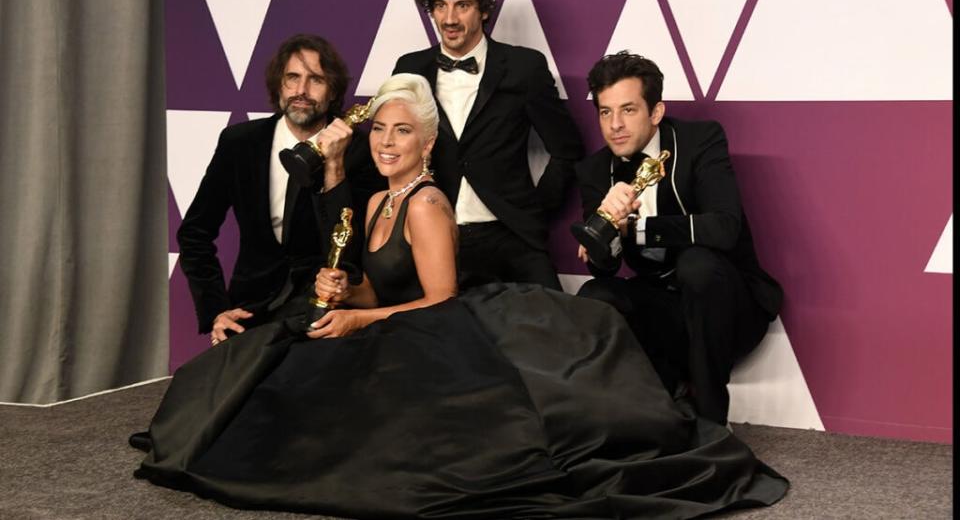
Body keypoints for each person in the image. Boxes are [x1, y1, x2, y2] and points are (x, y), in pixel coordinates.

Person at [132, 73, 787, 519]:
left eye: (401, 132)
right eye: (379, 131)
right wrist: (345, 287)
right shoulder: (372, 201)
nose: (386, 142)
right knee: (279, 358)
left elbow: (440, 299)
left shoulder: (426, 204)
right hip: (397, 323)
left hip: (440, 330)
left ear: (426, 143)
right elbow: (374, 282)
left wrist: (362, 320)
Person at [574, 52, 784, 426]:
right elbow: (605, 268)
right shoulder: (595, 170)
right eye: (605, 112)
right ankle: (640, 417)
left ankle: (712, 424)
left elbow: (724, 227)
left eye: (628, 110)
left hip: (730, 308)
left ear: (656, 112)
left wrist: (638, 227)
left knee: (696, 264)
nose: (615, 125)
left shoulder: (700, 140)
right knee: (595, 295)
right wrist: (603, 234)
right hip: (667, 312)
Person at [176, 34, 384, 345]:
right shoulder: (240, 143)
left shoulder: (361, 151)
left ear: (333, 93)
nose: (301, 91)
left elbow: (351, 253)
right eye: (292, 78)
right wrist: (217, 310)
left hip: (325, 317)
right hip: (249, 312)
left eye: (316, 80)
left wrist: (334, 166)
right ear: (279, 86)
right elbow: (194, 234)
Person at [392, 0, 583, 291]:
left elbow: (567, 149)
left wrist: (535, 210)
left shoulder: (524, 67)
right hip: (435, 234)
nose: (449, 19)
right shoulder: (410, 68)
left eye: (462, 5)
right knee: (433, 335)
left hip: (511, 236)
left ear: (483, 10)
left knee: (556, 330)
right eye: (441, 5)